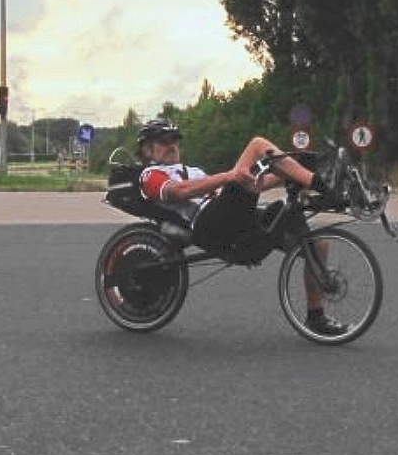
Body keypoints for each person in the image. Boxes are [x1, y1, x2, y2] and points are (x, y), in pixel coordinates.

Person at [133, 118, 348, 337]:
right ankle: (324, 185)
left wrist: (290, 174)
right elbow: (180, 191)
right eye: (164, 141)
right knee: (256, 145)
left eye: (175, 140)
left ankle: (316, 317)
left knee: (317, 245)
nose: (172, 145)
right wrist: (231, 176)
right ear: (148, 149)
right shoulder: (150, 175)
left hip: (229, 216)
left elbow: (256, 184)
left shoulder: (192, 169)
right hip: (208, 224)